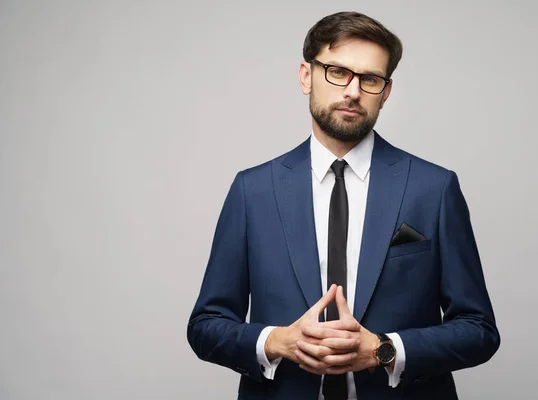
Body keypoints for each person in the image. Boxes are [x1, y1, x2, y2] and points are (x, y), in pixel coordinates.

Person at [187, 11, 500, 400]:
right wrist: (277, 342)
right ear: (307, 76)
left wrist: (385, 351)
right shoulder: (252, 190)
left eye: (369, 79)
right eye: (337, 71)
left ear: (385, 92)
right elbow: (205, 325)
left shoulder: (434, 188)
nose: (352, 91)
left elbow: (479, 329)